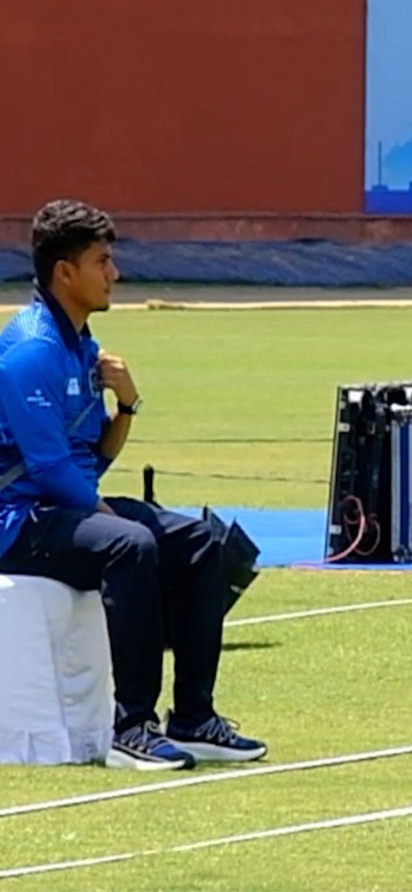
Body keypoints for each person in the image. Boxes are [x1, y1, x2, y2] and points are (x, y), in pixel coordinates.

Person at [0, 200, 266, 772]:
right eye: (102, 261)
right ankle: (132, 726)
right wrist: (108, 513)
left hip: (64, 508)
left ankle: (194, 717)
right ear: (64, 273)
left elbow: (95, 457)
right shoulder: (31, 351)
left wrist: (127, 404)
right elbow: (47, 471)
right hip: (20, 521)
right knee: (130, 543)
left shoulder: (82, 347)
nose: (114, 274)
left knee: (198, 541)